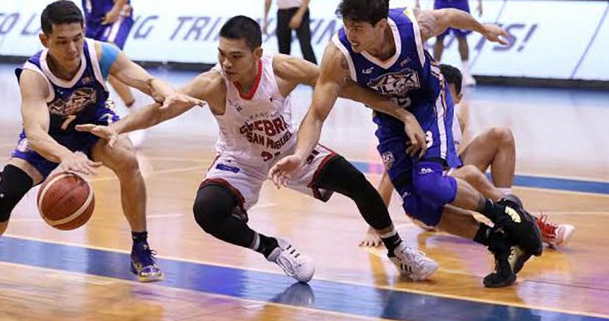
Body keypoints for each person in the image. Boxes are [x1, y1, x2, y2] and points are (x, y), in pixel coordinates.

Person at [78, 15, 439, 283]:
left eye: (235, 56)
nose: (226, 63)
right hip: (239, 161)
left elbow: (339, 85)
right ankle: (274, 249)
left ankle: (399, 251)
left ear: (257, 54)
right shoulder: (213, 83)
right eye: (221, 54)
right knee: (207, 211)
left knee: (357, 184)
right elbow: (163, 110)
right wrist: (117, 128)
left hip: (289, 150)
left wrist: (399, 112)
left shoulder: (281, 69)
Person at [270, 0, 543, 288]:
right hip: (390, 118)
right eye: (346, 26)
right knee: (417, 206)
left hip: (428, 103)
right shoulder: (339, 54)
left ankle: (507, 215)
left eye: (358, 27)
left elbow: (450, 15)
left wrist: (483, 29)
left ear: (381, 25)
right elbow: (318, 113)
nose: (351, 34)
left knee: (430, 182)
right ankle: (500, 244)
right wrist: (299, 154)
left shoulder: (412, 26)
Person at [0, 0, 204, 292]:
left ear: (84, 31)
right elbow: (35, 134)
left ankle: (140, 248)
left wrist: (168, 93)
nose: (72, 49)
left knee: (127, 159)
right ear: (44, 39)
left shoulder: (101, 54)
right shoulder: (34, 74)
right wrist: (65, 156)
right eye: (61, 41)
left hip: (93, 126)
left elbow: (146, 81)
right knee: (5, 194)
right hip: (51, 137)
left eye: (77, 38)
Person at [360, 64, 576, 248]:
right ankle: (524, 222)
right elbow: (389, 176)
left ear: (459, 98)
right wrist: (376, 228)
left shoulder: (456, 121)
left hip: (448, 181)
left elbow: (451, 162)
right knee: (471, 173)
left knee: (501, 135)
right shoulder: (418, 122)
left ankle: (505, 212)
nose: (440, 97)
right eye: (436, 91)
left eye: (446, 93)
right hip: (425, 198)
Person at [63, 0, 146, 145]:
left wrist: (117, 8)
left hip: (116, 16)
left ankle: (134, 112)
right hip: (93, 20)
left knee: (107, 62)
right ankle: (97, 116)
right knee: (87, 68)